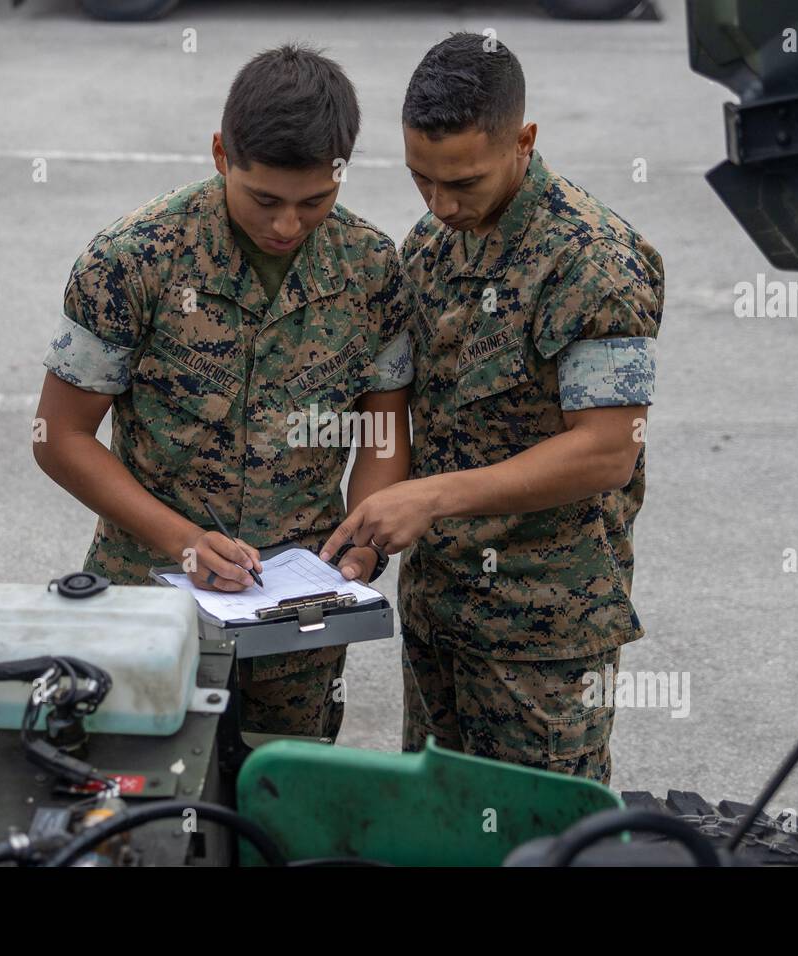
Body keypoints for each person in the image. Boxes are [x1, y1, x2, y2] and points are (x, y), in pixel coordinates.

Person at [34, 45, 414, 740]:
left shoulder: (371, 268)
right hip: (152, 602)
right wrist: (181, 540)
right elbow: (58, 437)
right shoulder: (132, 259)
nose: (287, 226)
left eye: (315, 202)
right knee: (147, 805)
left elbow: (383, 433)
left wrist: (364, 544)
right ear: (220, 154)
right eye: (264, 199)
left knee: (280, 805)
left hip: (300, 619)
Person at [321, 33, 664, 782]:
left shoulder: (593, 263)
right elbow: (400, 408)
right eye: (421, 180)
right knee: (439, 824)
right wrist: (371, 531)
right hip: (440, 607)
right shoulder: (433, 246)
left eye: (464, 183)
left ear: (524, 141)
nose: (441, 204)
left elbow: (609, 448)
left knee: (535, 838)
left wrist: (431, 498)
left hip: (542, 629)